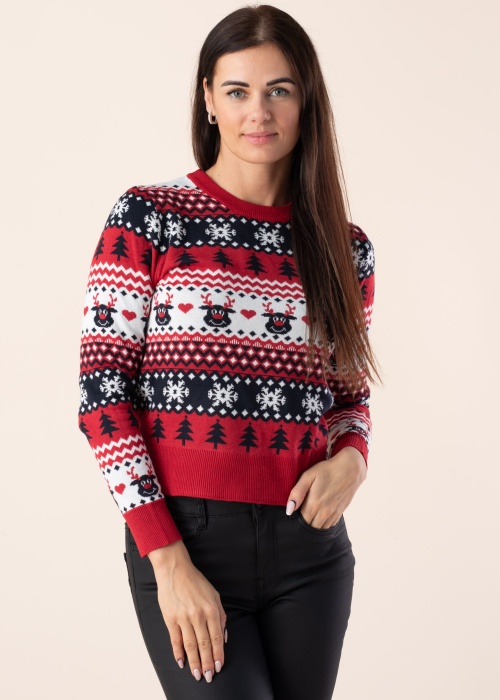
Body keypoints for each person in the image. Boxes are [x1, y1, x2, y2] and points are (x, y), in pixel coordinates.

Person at [77, 4, 381, 699]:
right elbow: (102, 398)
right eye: (238, 90)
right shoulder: (149, 217)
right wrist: (166, 558)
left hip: (311, 550)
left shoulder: (347, 248)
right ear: (209, 100)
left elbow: (348, 396)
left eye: (280, 90)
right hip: (188, 539)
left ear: (307, 100)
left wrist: (354, 457)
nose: (259, 112)